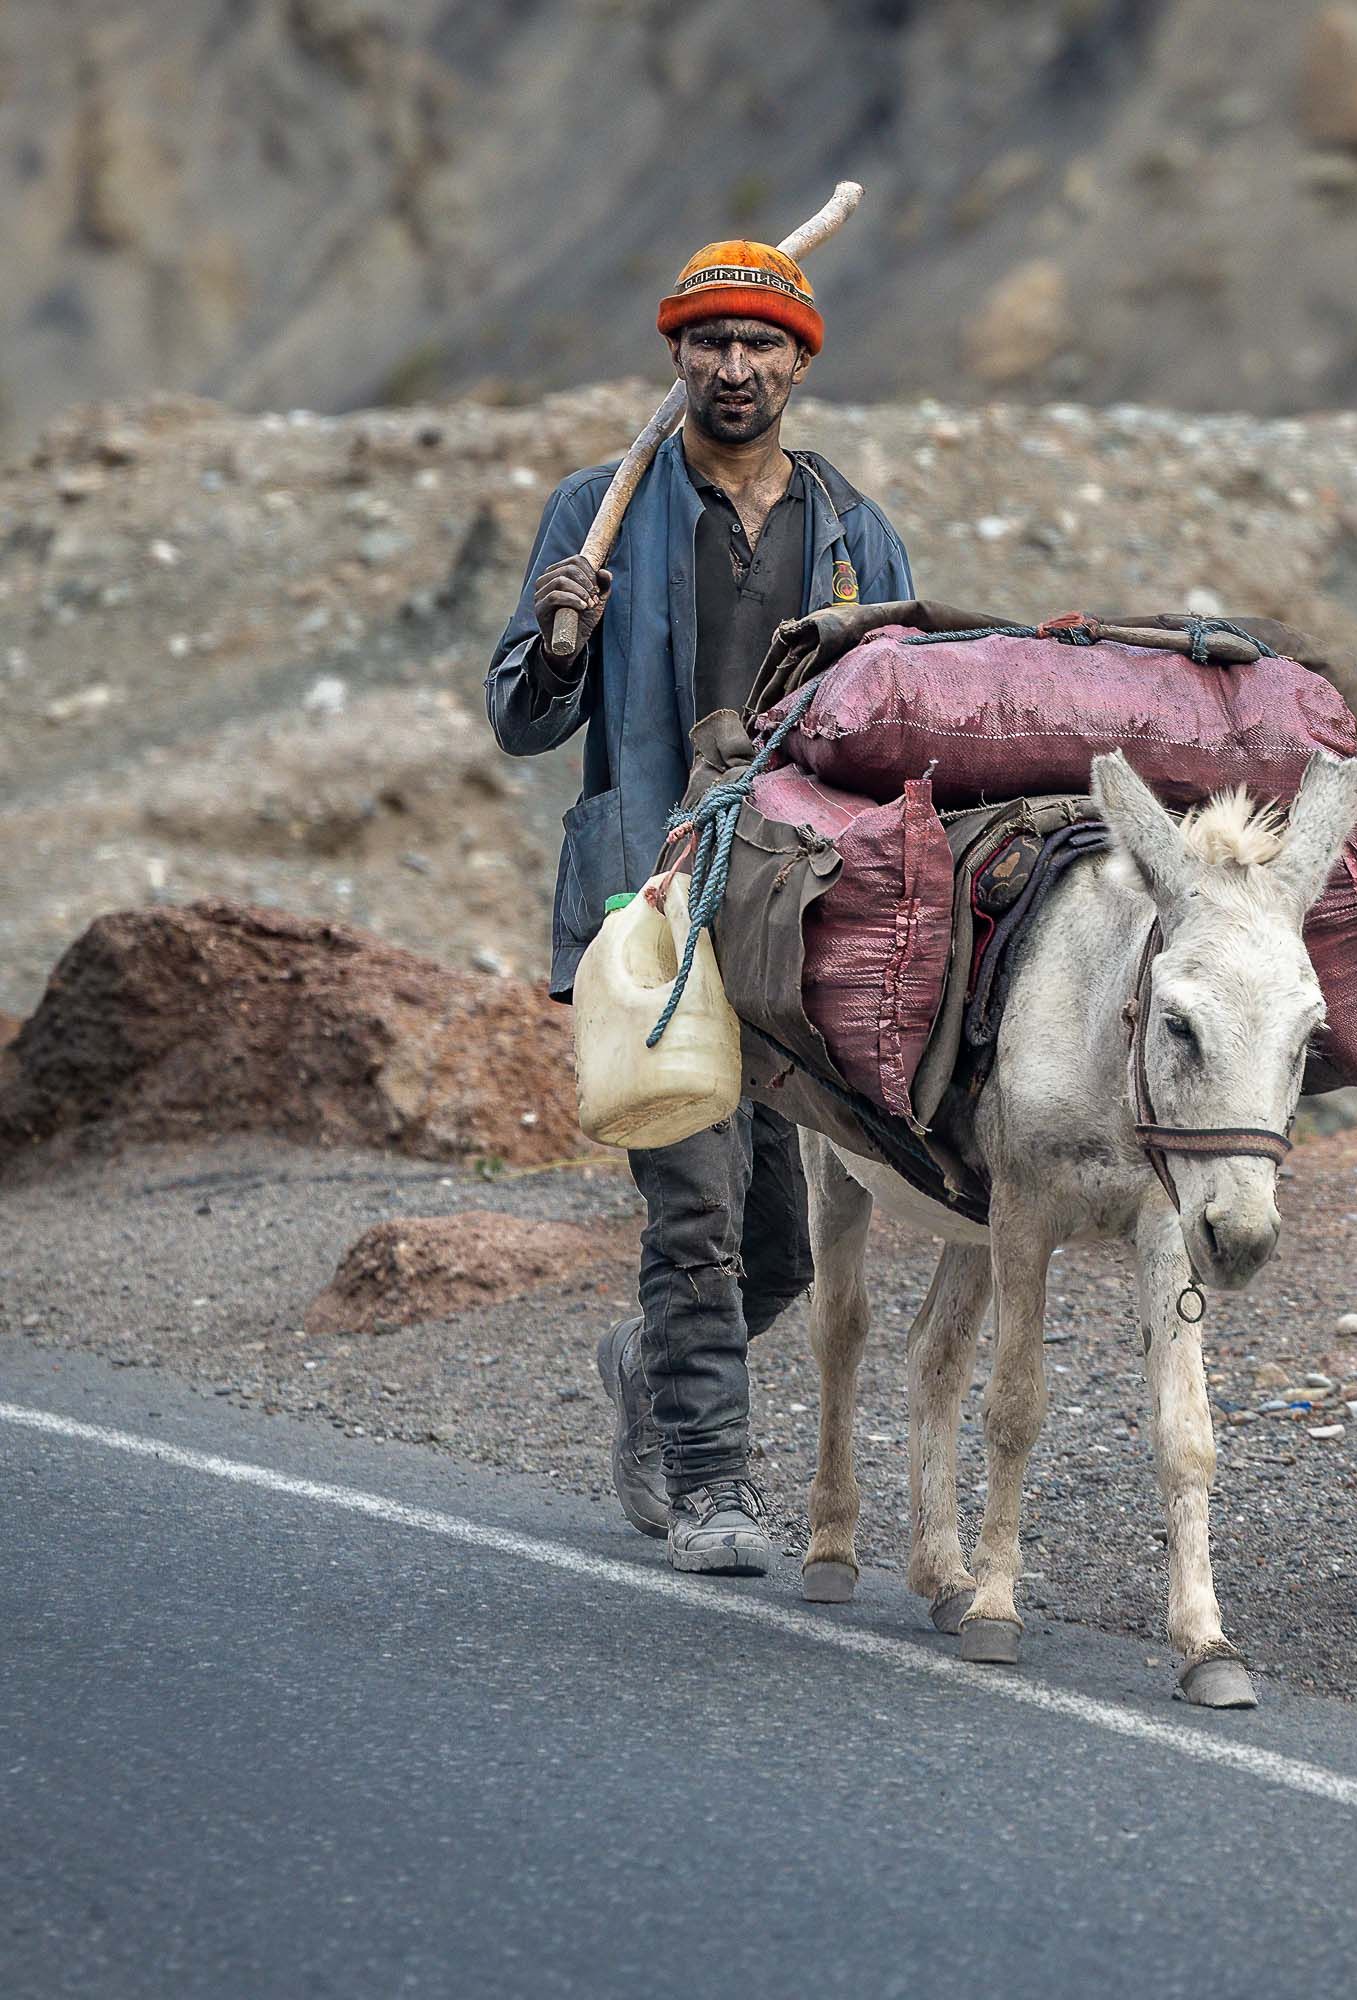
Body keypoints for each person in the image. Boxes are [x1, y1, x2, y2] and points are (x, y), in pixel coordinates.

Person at [485, 238, 914, 1574]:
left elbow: (901, 717)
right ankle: (710, 1484)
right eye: (708, 342)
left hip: (793, 911)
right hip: (652, 902)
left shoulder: (854, 532)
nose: (734, 366)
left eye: (760, 343)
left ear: (801, 361)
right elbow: (520, 715)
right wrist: (559, 640)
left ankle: (648, 1366)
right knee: (696, 1215)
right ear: (676, 356)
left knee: (777, 1250)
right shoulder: (595, 511)